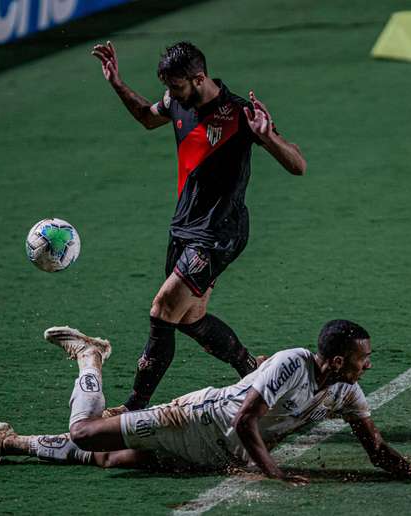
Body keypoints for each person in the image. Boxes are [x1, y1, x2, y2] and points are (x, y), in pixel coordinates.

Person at [0, 322, 411, 485]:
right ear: (335, 358)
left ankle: (11, 441)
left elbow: (375, 448)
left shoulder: (347, 392)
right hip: (198, 419)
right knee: (88, 434)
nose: (367, 365)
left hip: (220, 451)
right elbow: (244, 420)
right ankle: (91, 358)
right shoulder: (291, 363)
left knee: (113, 458)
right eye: (360, 359)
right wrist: (274, 472)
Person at [88, 40, 307, 415]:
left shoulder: (239, 113)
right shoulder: (177, 102)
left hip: (220, 232)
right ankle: (252, 369)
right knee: (191, 318)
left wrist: (268, 136)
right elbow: (145, 115)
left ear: (199, 78)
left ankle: (133, 407)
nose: (171, 96)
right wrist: (116, 81)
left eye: (177, 87)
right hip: (185, 227)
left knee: (162, 310)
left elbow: (298, 165)